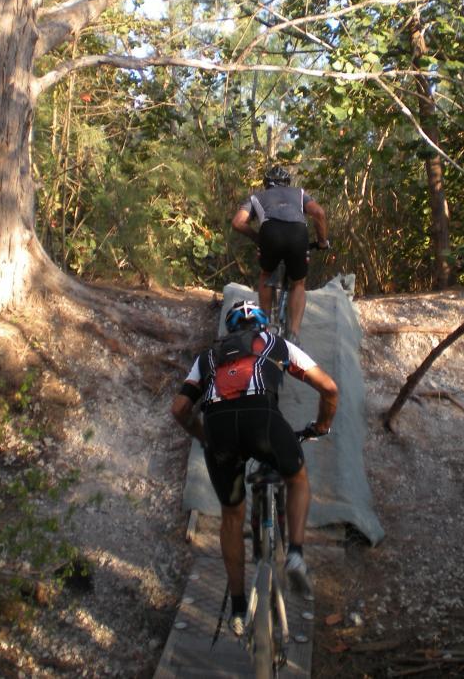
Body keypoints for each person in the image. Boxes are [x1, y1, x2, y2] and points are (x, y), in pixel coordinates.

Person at [170, 300, 338, 636]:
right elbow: (329, 387)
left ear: (230, 330)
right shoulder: (278, 344)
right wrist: (321, 425)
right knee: (297, 478)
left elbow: (179, 409)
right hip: (263, 421)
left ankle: (236, 607)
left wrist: (204, 437)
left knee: (232, 515)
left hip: (219, 430)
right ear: (263, 326)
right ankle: (295, 553)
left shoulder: (208, 357)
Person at [231, 165, 329, 346]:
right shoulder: (299, 193)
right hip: (298, 234)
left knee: (266, 274)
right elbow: (319, 213)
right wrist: (322, 241)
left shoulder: (256, 197)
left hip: (270, 233)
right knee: (299, 283)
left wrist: (258, 238)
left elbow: (237, 222)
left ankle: (264, 325)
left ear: (267, 184)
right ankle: (294, 334)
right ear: (287, 183)